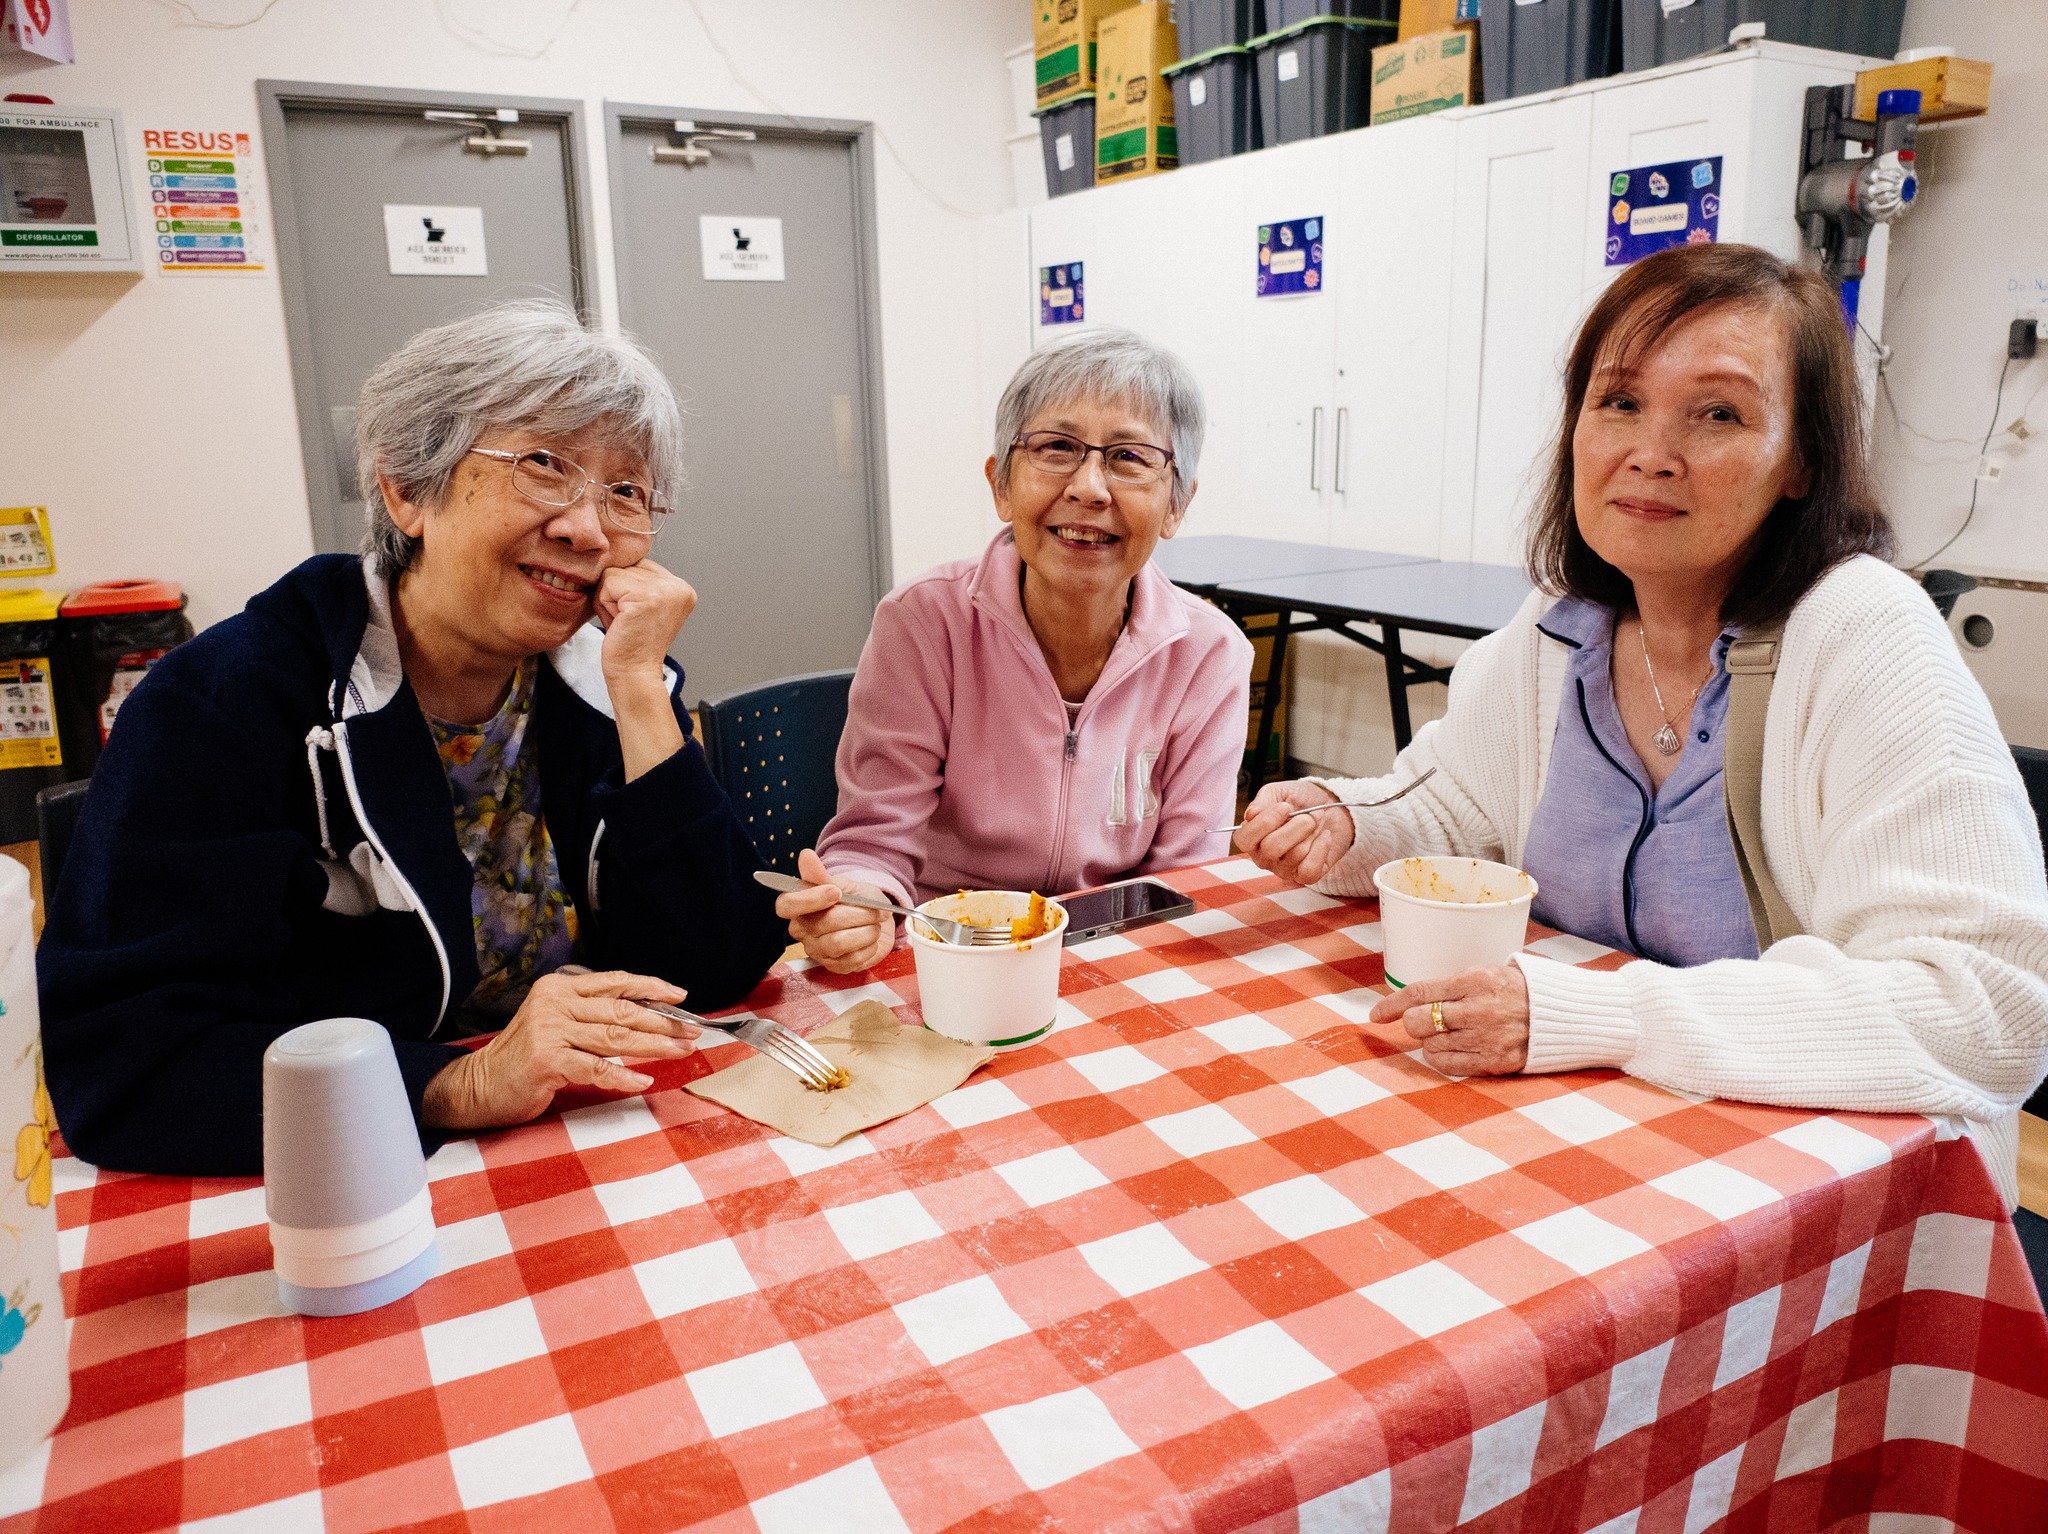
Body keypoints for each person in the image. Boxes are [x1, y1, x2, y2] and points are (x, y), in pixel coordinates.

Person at [1234, 243, 2048, 1209]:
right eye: (1619, 401)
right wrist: (1344, 819)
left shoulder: (1861, 636)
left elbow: (1986, 1008)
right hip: (1590, 1149)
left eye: (1718, 413)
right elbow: (1451, 806)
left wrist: (1599, 1014)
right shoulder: (1556, 629)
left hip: (1815, 1197)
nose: (1651, 453)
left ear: (1802, 462)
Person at [39, 300, 786, 1176]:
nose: (588, 527)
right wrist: (456, 1084)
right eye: (545, 465)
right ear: (405, 491)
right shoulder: (227, 703)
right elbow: (127, 1068)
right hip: (340, 1176)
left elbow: (714, 961)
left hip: (579, 1146)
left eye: (623, 491)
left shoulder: (599, 680)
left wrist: (638, 692)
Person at [778, 328, 1252, 972]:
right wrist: (857, 904)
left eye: (1129, 458)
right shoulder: (923, 622)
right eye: (1056, 447)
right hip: (947, 949)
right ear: (1001, 483)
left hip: (1121, 952)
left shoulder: (1209, 654)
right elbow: (876, 839)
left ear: (1177, 503)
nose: (1089, 488)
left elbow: (1188, 875)